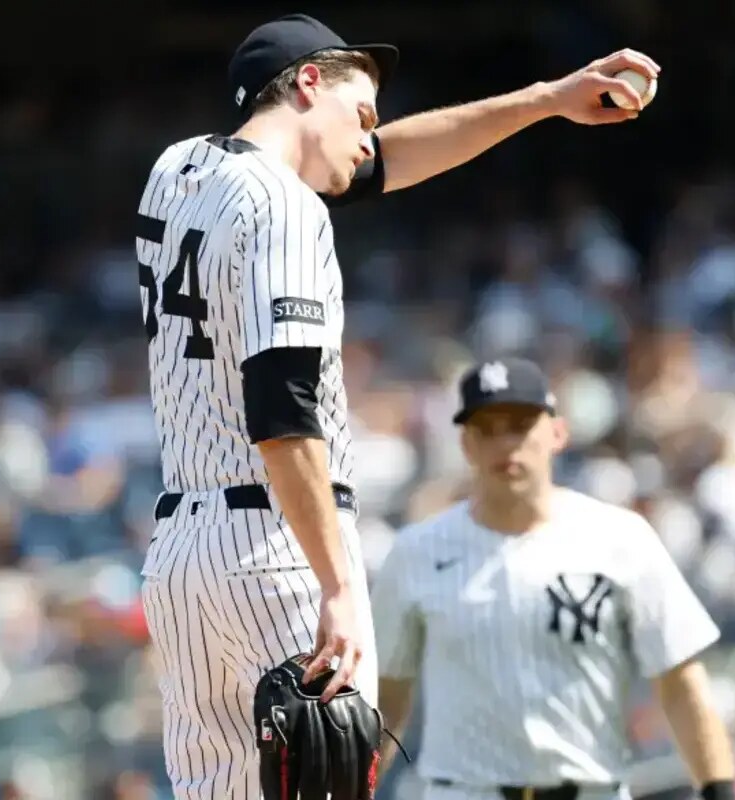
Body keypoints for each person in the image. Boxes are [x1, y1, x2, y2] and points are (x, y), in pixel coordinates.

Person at [134, 12, 660, 800]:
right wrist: (339, 586)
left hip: (183, 556)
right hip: (278, 549)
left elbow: (383, 161)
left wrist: (547, 99)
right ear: (308, 82)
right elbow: (283, 412)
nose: (369, 137)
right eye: (362, 113)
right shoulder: (287, 207)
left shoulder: (176, 172)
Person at [370, 357, 735, 800]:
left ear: (558, 433)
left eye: (521, 426)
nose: (506, 444)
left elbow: (680, 683)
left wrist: (719, 791)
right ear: (466, 444)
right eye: (487, 429)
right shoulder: (416, 552)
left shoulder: (621, 538)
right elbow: (387, 702)